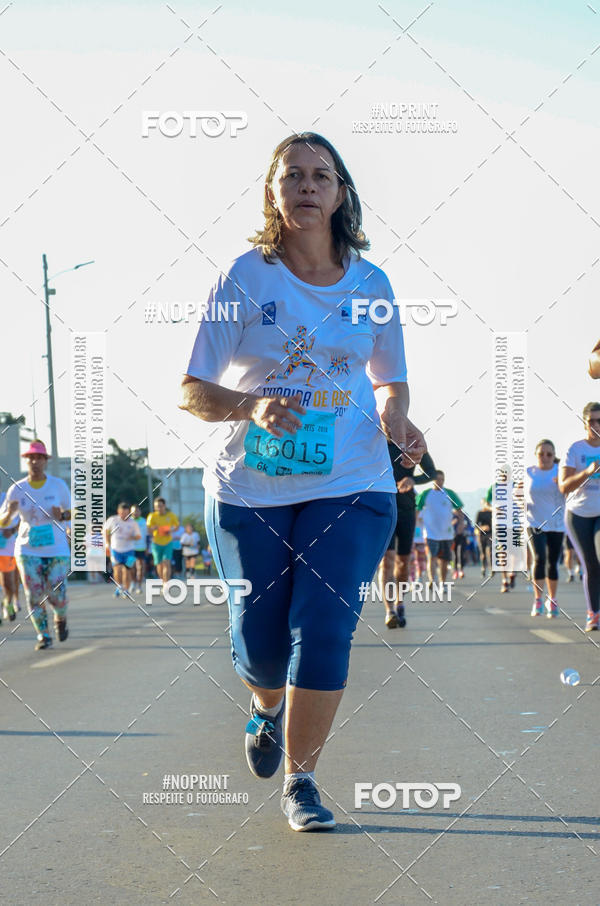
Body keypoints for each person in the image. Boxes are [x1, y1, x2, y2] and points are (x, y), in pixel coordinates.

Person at [180, 132, 426, 831]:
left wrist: (398, 421)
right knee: (259, 639)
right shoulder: (243, 280)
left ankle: (302, 780)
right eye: (293, 176)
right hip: (249, 487)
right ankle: (265, 708)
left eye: (322, 176)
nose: (307, 187)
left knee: (324, 624)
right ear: (273, 191)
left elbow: (390, 381)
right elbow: (193, 390)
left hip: (352, 479)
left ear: (341, 192)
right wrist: (250, 404)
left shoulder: (371, 284)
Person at [0, 440, 70, 650]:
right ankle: (43, 635)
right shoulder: (17, 489)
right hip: (27, 549)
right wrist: (9, 514)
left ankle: (60, 617)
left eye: (39, 457)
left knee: (57, 594)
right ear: (26, 461)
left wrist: (64, 515)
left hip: (56, 549)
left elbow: (77, 512)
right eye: (31, 458)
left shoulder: (58, 486)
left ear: (45, 461)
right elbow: (3, 522)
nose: (34, 461)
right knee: (33, 594)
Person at [378, 442, 435, 628]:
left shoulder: (412, 442)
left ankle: (399, 602)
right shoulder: (376, 440)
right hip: (383, 507)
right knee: (387, 560)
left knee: (403, 562)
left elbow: (432, 472)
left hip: (407, 508)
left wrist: (414, 481)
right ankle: (389, 611)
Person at [558, 402, 600, 631]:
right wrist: (586, 472)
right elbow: (564, 487)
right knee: (591, 566)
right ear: (584, 423)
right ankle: (593, 614)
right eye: (591, 420)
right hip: (579, 514)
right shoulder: (575, 449)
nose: (595, 425)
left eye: (599, 420)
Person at [525, 440, 565, 618]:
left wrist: (563, 484)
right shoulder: (528, 473)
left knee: (553, 563)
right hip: (534, 522)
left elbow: (574, 490)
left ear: (554, 455)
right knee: (540, 558)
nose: (545, 457)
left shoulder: (561, 472)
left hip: (557, 524)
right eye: (541, 454)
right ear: (536, 455)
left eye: (549, 454)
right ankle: (538, 600)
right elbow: (516, 495)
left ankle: (553, 599)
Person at [416, 471, 463, 586]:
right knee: (432, 556)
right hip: (430, 532)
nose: (440, 482)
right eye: (437, 479)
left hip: (446, 533)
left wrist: (461, 524)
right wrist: (415, 526)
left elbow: (459, 511)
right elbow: (417, 510)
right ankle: (432, 580)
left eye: (442, 479)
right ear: (433, 480)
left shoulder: (450, 494)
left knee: (444, 559)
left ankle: (442, 582)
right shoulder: (426, 494)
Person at [103, 503, 141, 597]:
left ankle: (126, 590)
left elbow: (138, 536)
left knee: (127, 570)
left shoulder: (133, 523)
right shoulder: (112, 520)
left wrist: (131, 537)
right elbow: (105, 532)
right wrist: (107, 544)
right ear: (118, 512)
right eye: (122, 513)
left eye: (126, 513)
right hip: (116, 550)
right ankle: (119, 586)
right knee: (117, 569)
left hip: (129, 550)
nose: (124, 515)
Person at [146, 498, 179, 590]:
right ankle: (162, 580)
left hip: (168, 542)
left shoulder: (171, 515)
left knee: (166, 562)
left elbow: (176, 526)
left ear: (164, 506)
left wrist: (170, 530)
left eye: (160, 506)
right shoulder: (152, 516)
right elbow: (148, 530)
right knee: (159, 565)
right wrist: (154, 528)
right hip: (156, 543)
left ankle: (166, 583)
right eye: (156, 507)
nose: (158, 508)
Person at [0, 486, 20, 621]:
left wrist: (12, 531)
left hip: (5, 545)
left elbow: (23, 519)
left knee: (8, 580)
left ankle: (8, 602)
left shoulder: (7, 498)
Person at [130, 505, 148, 594]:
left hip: (141, 547)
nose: (135, 513)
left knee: (140, 567)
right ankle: (133, 582)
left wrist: (148, 547)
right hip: (130, 548)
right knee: (130, 566)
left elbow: (147, 535)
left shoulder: (144, 521)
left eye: (137, 511)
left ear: (140, 512)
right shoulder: (128, 521)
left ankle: (139, 586)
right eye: (133, 511)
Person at [475, 499, 492, 578]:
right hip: (481, 535)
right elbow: (476, 527)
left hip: (490, 534)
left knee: (490, 552)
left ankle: (491, 568)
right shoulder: (480, 513)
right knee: (483, 554)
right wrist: (482, 528)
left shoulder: (492, 512)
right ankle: (483, 568)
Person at [452, 508, 468, 580]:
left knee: (461, 553)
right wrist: (453, 522)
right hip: (453, 537)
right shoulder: (450, 514)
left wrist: (465, 526)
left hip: (462, 536)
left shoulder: (463, 515)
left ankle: (461, 570)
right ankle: (455, 571)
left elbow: (468, 525)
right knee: (454, 554)